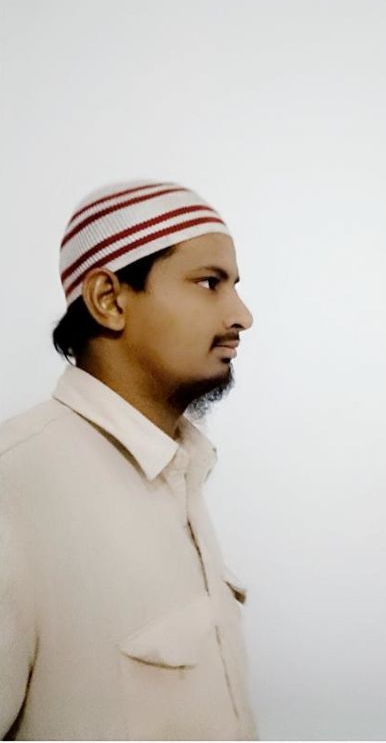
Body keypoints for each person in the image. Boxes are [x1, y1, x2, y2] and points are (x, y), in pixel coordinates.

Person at [0, 179, 258, 740]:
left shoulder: (180, 467)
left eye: (235, 286)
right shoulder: (15, 484)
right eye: (209, 283)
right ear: (109, 300)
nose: (242, 315)